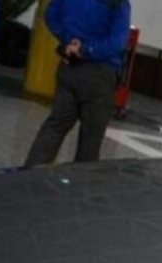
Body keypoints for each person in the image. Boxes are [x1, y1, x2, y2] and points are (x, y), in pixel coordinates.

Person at [24, 0, 131, 166]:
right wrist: (86, 49)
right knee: (91, 137)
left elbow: (51, 15)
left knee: (55, 126)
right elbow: (117, 43)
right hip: (99, 75)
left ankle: (29, 174)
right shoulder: (118, 3)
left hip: (69, 67)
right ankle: (79, 182)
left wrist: (69, 42)